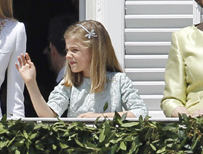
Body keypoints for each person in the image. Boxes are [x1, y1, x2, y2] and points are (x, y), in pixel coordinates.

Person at [16, 20, 148, 119]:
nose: (68, 55)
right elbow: (49, 116)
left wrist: (100, 117)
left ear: (95, 51)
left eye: (75, 50)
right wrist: (30, 82)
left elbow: (141, 113)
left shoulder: (118, 81)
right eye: (67, 50)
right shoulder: (69, 84)